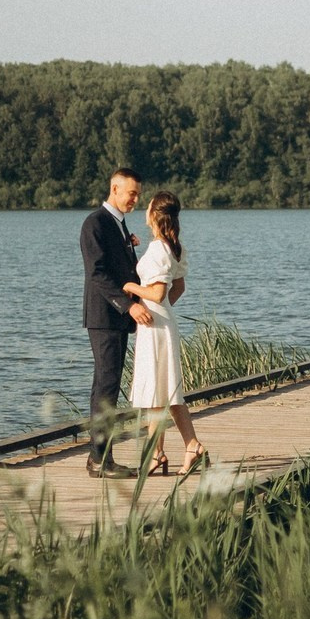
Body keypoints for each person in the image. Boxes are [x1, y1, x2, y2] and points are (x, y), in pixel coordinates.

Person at [123, 190, 209, 477]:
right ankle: (172, 450)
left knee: (159, 391)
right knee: (164, 391)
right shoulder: (174, 247)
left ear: (154, 215)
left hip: (154, 324)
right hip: (162, 322)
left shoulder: (160, 250)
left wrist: (131, 288)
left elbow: (158, 293)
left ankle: (165, 452)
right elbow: (178, 288)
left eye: (148, 207)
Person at [80, 168, 152, 478]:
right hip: (105, 317)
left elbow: (121, 269)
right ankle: (100, 461)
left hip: (117, 318)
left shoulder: (118, 225)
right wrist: (128, 306)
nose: (135, 198)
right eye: (131, 193)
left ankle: (98, 457)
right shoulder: (95, 223)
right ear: (114, 188)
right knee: (106, 388)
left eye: (138, 194)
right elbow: (97, 274)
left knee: (106, 387)